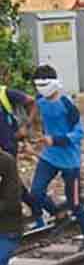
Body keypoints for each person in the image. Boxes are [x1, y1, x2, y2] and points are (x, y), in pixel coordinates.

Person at [28, 65, 84, 250]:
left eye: (44, 84)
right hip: (49, 156)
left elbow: (79, 132)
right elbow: (36, 118)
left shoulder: (67, 104)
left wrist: (57, 139)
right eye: (38, 85)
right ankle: (59, 215)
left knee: (74, 202)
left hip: (70, 160)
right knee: (35, 192)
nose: (41, 88)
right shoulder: (40, 101)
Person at [0, 82, 36, 210]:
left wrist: (26, 126)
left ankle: (38, 208)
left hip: (9, 147)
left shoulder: (5, 93)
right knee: (12, 182)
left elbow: (32, 102)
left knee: (12, 183)